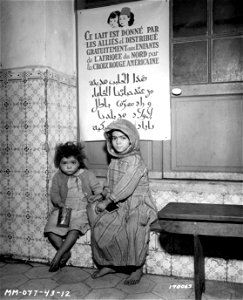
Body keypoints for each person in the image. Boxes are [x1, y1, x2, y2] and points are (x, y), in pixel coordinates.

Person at [87, 119, 157, 285]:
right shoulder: (115, 159)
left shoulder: (135, 161)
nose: (117, 142)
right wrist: (102, 194)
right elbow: (110, 183)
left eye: (123, 138)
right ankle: (109, 264)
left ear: (132, 140)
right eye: (114, 138)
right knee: (102, 224)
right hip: (119, 204)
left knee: (133, 228)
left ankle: (136, 268)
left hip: (138, 205)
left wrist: (108, 201)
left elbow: (126, 186)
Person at [44, 141, 102, 272]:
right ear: (59, 163)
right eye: (64, 163)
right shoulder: (58, 176)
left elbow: (98, 191)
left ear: (79, 162)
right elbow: (54, 193)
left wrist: (95, 197)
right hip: (64, 210)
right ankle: (65, 252)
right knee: (51, 230)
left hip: (81, 211)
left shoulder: (87, 175)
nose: (68, 167)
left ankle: (58, 256)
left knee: (74, 230)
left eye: (72, 163)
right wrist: (59, 203)